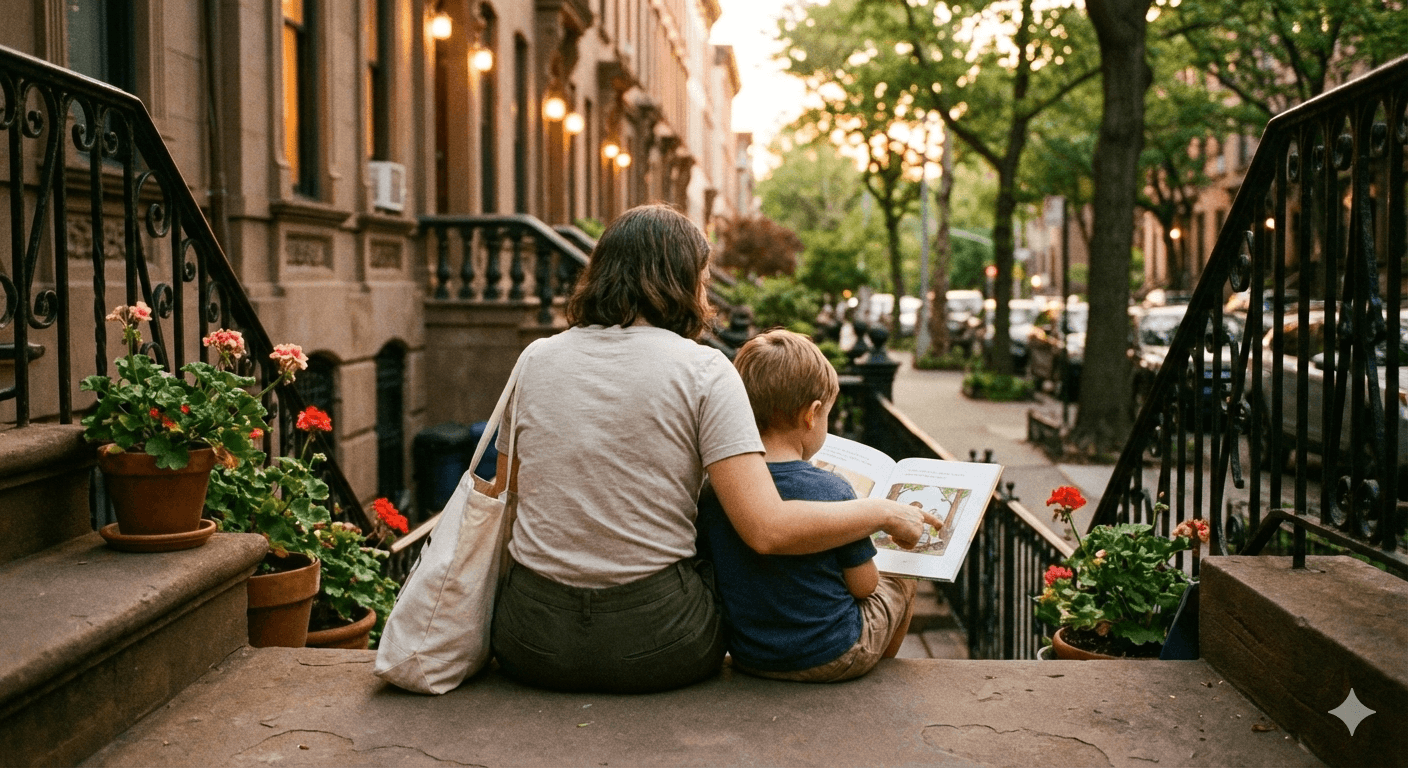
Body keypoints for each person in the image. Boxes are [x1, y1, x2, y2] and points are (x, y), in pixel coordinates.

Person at [484, 205, 940, 694]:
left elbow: (504, 499)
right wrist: (879, 511)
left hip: (529, 640)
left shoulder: (535, 358)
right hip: (659, 644)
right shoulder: (704, 370)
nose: (705, 294)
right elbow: (766, 530)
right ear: (676, 282)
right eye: (701, 280)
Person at [696, 330, 919, 682]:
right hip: (832, 654)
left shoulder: (719, 491)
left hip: (751, 654)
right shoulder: (832, 490)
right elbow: (864, 586)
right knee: (903, 577)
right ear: (812, 415)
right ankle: (876, 667)